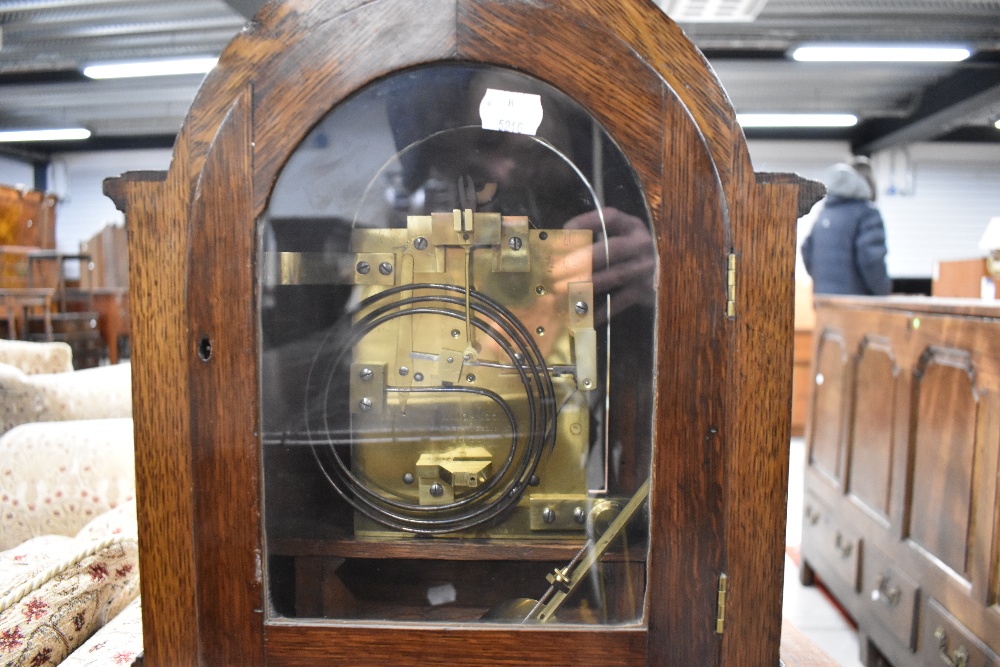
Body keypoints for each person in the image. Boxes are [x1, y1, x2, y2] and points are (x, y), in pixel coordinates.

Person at [802, 159, 891, 295]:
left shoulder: (825, 213)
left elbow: (806, 250)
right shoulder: (867, 213)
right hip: (856, 306)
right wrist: (883, 292)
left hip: (823, 302)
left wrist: (824, 284)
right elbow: (872, 260)